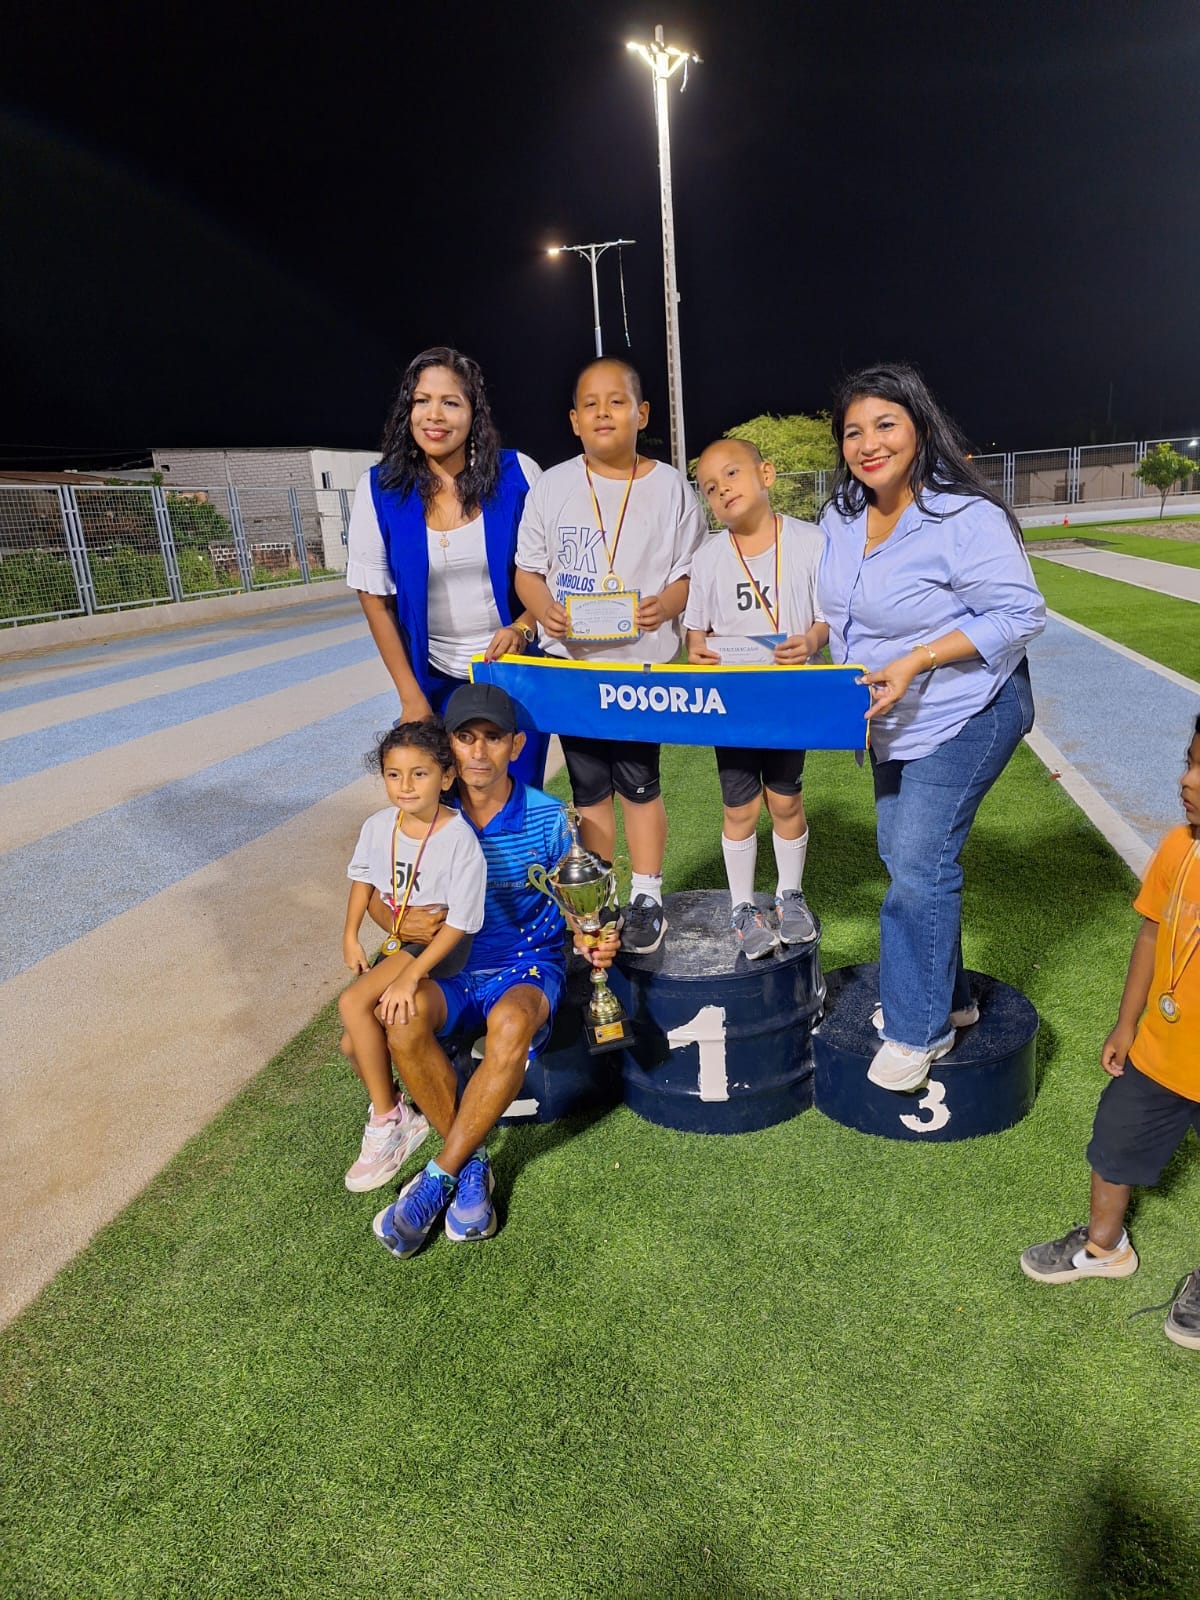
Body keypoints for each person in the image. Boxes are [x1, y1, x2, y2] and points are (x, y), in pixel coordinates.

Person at [809, 363, 1045, 1092]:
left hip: (970, 707)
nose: (868, 443)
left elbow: (1021, 614)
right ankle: (952, 998)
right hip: (890, 719)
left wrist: (917, 659)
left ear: (919, 428)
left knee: (918, 860)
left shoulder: (961, 517)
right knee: (905, 854)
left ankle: (919, 1028)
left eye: (886, 425)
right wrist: (811, 640)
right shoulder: (840, 516)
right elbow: (842, 611)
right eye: (854, 431)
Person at [372, 683, 619, 1258]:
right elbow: (382, 901)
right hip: (450, 968)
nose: (478, 752)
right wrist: (397, 920)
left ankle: (438, 1178)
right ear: (448, 747)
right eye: (465, 738)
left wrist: (597, 933)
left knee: (510, 1024)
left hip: (525, 967)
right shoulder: (422, 816)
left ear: (517, 746)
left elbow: (585, 905)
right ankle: (471, 1164)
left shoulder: (552, 818)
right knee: (401, 1021)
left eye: (493, 738)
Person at [515, 356, 707, 953]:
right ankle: (599, 894)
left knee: (640, 780)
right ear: (574, 420)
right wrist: (543, 609)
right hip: (573, 667)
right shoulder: (553, 485)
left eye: (617, 401)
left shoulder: (670, 487)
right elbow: (528, 571)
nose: (604, 413)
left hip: (638, 667)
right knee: (589, 785)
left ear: (641, 413)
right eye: (590, 404)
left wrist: (665, 603)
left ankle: (647, 894)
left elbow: (691, 572)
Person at [1020, 718, 1200, 1351]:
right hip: (1160, 1052)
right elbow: (1151, 934)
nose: (1187, 780)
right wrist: (1127, 1023)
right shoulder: (1179, 847)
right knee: (1112, 1145)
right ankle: (1104, 1246)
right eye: (1190, 762)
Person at [345, 345, 550, 786]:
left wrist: (524, 626)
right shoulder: (379, 489)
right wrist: (411, 695)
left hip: (515, 672)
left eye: (450, 402)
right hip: (432, 680)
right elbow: (374, 600)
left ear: (474, 412)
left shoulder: (518, 474)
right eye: (422, 401)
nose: (434, 415)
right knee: (446, 805)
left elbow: (550, 574)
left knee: (515, 799)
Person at [685, 437, 824, 958]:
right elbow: (696, 635)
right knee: (739, 806)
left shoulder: (810, 542)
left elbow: (827, 617)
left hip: (789, 699)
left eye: (732, 474)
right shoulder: (708, 558)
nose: (722, 490)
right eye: (710, 487)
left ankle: (791, 895)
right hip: (735, 705)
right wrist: (698, 653)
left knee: (785, 799)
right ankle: (742, 906)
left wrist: (810, 641)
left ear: (766, 474)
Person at [338, 721, 486, 1192]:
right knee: (353, 1045)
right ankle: (402, 1112)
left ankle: (389, 1119)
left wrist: (411, 975)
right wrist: (350, 935)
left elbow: (461, 923)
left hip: (442, 948)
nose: (405, 785)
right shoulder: (379, 825)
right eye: (393, 774)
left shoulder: (459, 839)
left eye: (419, 774)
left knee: (352, 1003)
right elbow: (363, 879)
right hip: (404, 944)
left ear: (446, 777)